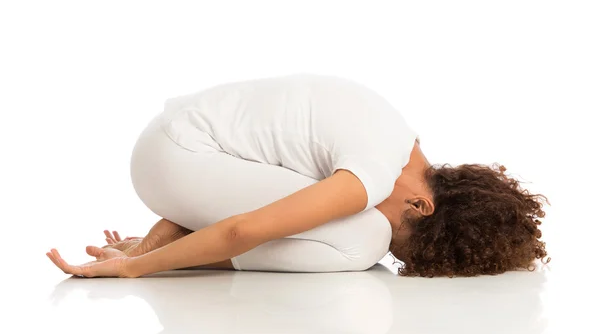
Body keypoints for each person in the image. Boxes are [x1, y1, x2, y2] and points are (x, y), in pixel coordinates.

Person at [46, 73, 550, 278]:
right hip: (176, 160)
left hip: (173, 148)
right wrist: (135, 270)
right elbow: (244, 230)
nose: (389, 247)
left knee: (330, 223)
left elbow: (261, 180)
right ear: (421, 207)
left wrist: (154, 242)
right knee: (361, 239)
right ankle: (156, 249)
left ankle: (159, 240)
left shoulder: (395, 135)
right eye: (404, 243)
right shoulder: (372, 175)